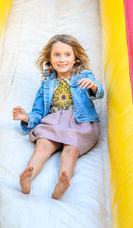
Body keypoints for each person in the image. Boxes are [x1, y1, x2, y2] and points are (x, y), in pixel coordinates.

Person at [12, 34, 104, 199]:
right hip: (54, 122)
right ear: (50, 59)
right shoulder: (46, 84)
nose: (62, 59)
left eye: (67, 54)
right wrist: (27, 117)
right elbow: (39, 112)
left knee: (70, 152)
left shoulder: (84, 76)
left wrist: (94, 87)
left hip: (79, 122)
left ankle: (62, 181)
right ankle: (28, 178)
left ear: (75, 58)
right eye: (57, 55)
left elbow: (98, 93)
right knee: (42, 147)